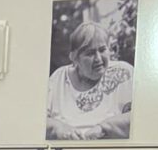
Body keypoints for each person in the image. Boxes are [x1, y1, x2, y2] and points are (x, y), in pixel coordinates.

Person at [44, 8, 134, 141]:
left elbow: (143, 116)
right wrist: (59, 128)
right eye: (90, 53)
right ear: (75, 58)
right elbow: (37, 121)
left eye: (102, 50)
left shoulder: (124, 73)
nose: (98, 58)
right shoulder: (59, 78)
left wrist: (104, 128)